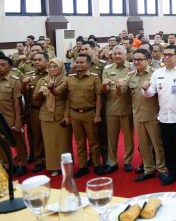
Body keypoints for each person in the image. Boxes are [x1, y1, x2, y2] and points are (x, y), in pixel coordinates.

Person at [143, 45, 176, 187]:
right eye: (165, 54)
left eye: (170, 55)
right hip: (165, 117)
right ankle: (173, 173)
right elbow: (150, 94)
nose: (167, 57)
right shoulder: (157, 73)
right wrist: (145, 89)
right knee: (168, 149)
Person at [50, 53, 106, 178]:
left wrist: (97, 115)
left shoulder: (94, 78)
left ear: (89, 64)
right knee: (79, 143)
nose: (79, 64)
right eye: (77, 62)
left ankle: (97, 165)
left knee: (94, 142)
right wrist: (51, 89)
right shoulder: (69, 78)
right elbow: (58, 92)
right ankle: (83, 167)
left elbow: (99, 97)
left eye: (82, 62)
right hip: (75, 114)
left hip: (90, 114)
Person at [123, 48, 166, 182]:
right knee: (143, 146)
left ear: (148, 60)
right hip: (138, 115)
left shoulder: (156, 74)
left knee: (158, 145)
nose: (136, 62)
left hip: (153, 116)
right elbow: (122, 92)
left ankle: (162, 169)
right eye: (134, 59)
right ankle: (149, 169)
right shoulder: (131, 76)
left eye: (139, 59)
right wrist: (118, 86)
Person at [33, 57, 72, 177]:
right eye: (50, 66)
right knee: (49, 144)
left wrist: (67, 116)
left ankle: (65, 166)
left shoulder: (66, 80)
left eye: (55, 66)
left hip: (61, 116)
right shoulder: (43, 80)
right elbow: (35, 98)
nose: (52, 69)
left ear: (61, 68)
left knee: (63, 143)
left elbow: (69, 100)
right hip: (46, 116)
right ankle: (53, 166)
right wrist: (40, 93)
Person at [101, 45, 134, 173]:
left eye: (120, 53)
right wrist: (104, 87)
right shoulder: (107, 69)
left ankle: (128, 161)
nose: (117, 56)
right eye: (115, 54)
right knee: (112, 137)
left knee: (128, 137)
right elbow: (105, 89)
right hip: (111, 108)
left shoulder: (132, 67)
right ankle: (112, 161)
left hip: (127, 107)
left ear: (126, 55)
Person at [0, 53, 27, 177]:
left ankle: (21, 164)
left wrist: (18, 120)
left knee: (18, 142)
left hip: (10, 117)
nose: (0, 67)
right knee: (2, 144)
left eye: (3, 65)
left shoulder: (14, 81)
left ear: (9, 67)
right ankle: (8, 164)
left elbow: (17, 102)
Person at [21, 51, 48, 173]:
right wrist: (24, 84)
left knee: (49, 135)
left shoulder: (52, 73)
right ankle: (39, 160)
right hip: (35, 109)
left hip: (49, 109)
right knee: (37, 136)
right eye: (35, 60)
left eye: (39, 60)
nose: (36, 62)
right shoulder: (30, 75)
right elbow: (24, 92)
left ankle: (50, 159)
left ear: (46, 61)